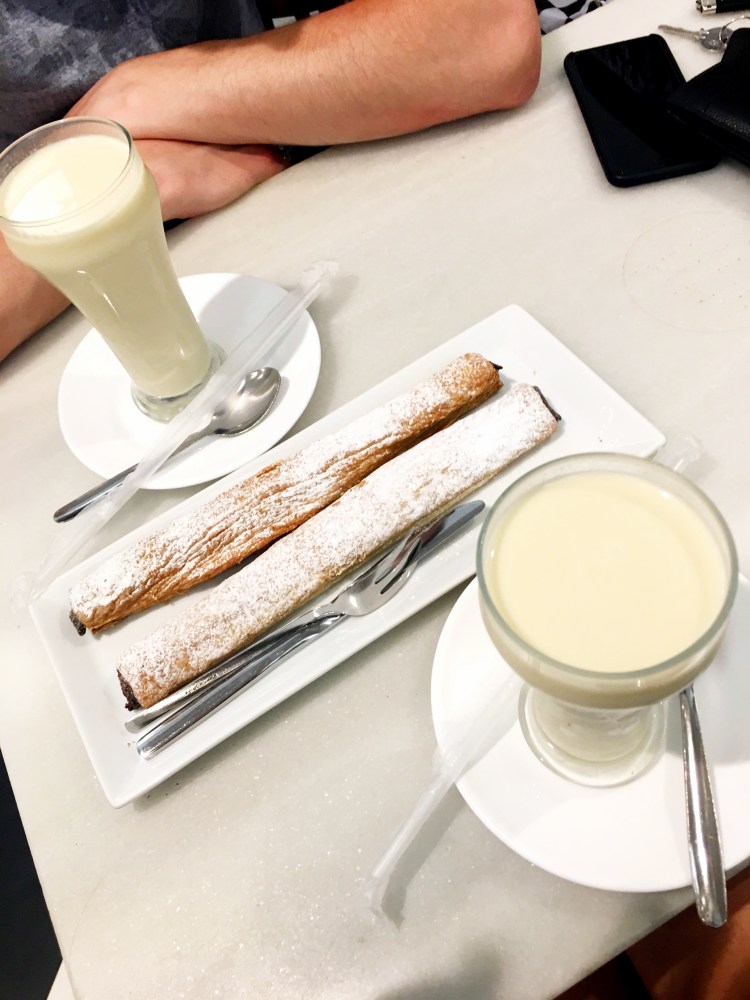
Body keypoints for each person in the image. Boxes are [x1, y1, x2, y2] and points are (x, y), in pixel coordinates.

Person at [0, 0, 551, 363]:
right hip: (61, 333)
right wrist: (109, 200)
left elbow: (483, 30)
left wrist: (136, 93)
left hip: (281, 184)